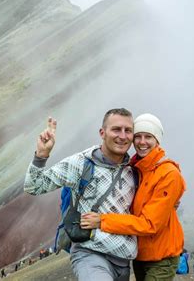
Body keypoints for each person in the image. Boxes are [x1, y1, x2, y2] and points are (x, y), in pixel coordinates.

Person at [24, 108, 138, 281]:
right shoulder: (81, 163)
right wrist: (41, 155)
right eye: (116, 129)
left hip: (123, 260)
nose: (122, 136)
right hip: (90, 254)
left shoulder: (135, 170)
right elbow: (34, 186)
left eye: (128, 130)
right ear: (102, 132)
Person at [81, 113, 186, 281]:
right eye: (138, 136)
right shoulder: (135, 168)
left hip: (161, 258)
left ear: (157, 140)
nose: (142, 142)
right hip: (139, 255)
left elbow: (149, 224)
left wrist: (102, 221)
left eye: (148, 137)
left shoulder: (168, 174)